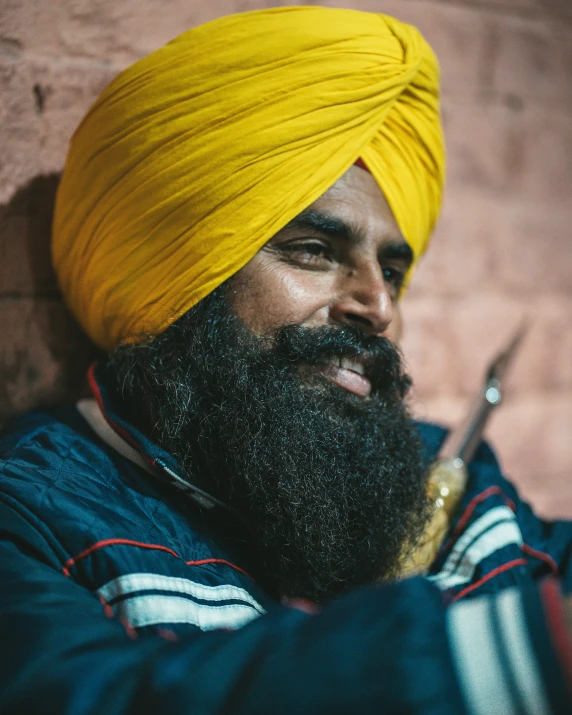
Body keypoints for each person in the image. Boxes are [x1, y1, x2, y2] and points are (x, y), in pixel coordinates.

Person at [0, 6, 570, 714]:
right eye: (315, 251)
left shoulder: (444, 478)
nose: (378, 307)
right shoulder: (33, 513)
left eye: (390, 272)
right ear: (181, 271)